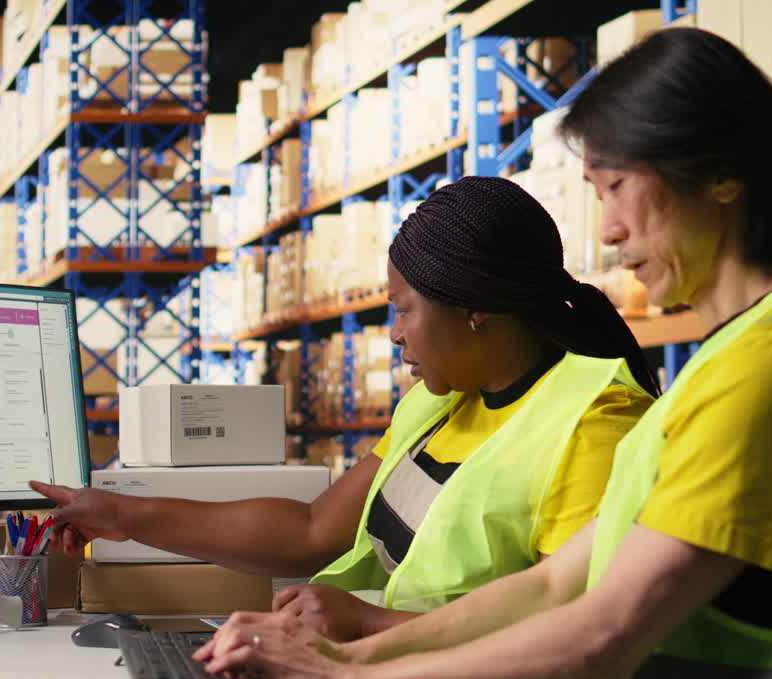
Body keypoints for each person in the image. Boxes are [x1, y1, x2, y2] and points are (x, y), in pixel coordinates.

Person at [196, 26, 772, 679]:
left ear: (722, 177)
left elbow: (603, 640)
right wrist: (346, 659)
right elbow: (553, 587)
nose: (609, 230)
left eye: (617, 187)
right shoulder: (734, 358)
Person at [32, 175, 659, 643]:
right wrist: (122, 514)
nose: (394, 333)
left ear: (475, 308)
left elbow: (571, 635)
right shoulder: (438, 405)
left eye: (404, 309)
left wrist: (370, 625)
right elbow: (308, 531)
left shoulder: (594, 425)